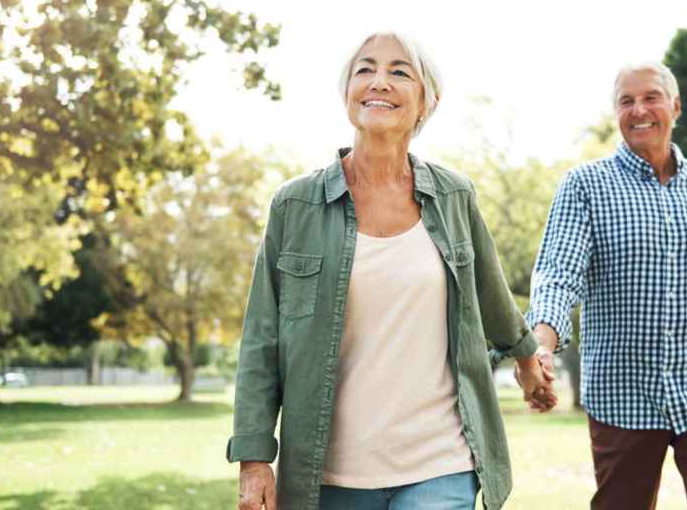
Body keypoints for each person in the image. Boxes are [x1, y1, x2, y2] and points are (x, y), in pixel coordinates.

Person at [229, 31, 557, 510]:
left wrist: (529, 362)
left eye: (399, 72)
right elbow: (261, 340)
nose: (379, 81)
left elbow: (491, 297)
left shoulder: (454, 197)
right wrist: (254, 458)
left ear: (427, 101)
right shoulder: (294, 205)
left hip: (440, 462)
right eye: (365, 70)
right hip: (328, 472)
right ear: (348, 94)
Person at [521, 62, 687, 510]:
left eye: (651, 97)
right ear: (616, 113)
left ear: (675, 106)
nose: (639, 109)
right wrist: (541, 344)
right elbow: (558, 276)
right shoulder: (585, 186)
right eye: (626, 101)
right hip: (623, 389)